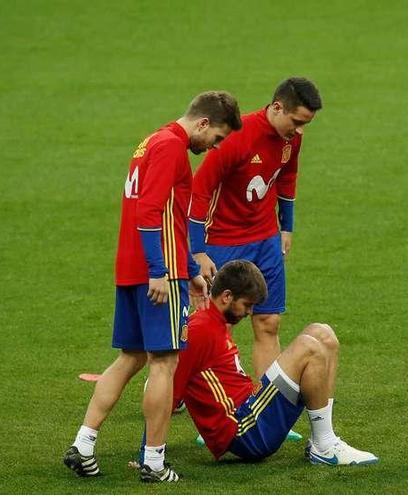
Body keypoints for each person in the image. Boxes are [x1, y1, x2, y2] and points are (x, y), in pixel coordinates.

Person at [63, 91, 243, 482]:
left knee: (130, 357)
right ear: (203, 124)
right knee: (165, 363)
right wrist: (161, 270)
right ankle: (155, 462)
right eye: (217, 138)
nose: (214, 148)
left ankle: (83, 444)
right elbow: (149, 211)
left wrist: (189, 269)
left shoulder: (150, 142)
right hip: (155, 274)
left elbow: (164, 215)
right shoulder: (172, 148)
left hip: (132, 268)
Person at [171, 260, 378, 465]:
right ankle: (324, 447)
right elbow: (171, 387)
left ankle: (322, 438)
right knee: (309, 347)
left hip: (250, 408)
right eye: (247, 305)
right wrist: (152, 452)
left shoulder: (213, 321)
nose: (250, 312)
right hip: (242, 430)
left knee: (323, 334)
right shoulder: (199, 329)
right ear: (227, 296)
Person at [189, 77, 322, 381]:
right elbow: (199, 190)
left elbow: (287, 177)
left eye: (306, 124)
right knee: (215, 326)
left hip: (266, 239)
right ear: (277, 107)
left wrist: (286, 227)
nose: (299, 131)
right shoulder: (237, 137)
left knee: (269, 321)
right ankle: (183, 385)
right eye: (297, 121)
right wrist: (197, 250)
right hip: (223, 241)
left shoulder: (292, 138)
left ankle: (265, 406)